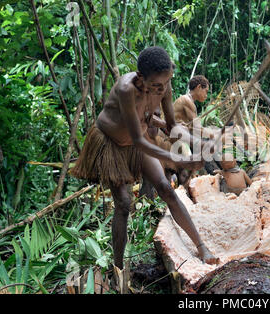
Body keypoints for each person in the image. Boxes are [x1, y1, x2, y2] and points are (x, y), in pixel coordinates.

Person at [70, 46, 219, 269]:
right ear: (141, 77)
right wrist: (179, 160)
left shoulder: (164, 86)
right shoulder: (125, 89)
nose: (162, 90)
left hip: (136, 143)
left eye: (166, 83)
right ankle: (118, 269)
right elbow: (139, 140)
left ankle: (201, 247)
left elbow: (171, 126)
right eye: (156, 86)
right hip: (112, 143)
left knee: (166, 188)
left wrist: (197, 144)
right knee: (123, 203)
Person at [173, 75, 215, 139]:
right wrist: (217, 135)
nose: (206, 95)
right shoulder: (187, 100)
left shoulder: (189, 100)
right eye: (206, 91)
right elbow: (197, 128)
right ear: (199, 87)